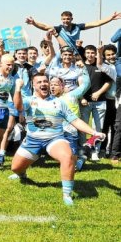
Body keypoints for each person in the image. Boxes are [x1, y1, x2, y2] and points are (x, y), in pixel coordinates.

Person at [10, 74, 105, 206]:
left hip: (55, 139)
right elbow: (18, 106)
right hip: (33, 140)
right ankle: (22, 174)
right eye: (39, 82)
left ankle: (67, 194)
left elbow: (75, 120)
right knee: (15, 168)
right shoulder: (29, 100)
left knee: (68, 157)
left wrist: (94, 132)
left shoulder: (60, 102)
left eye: (45, 81)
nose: (43, 84)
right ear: (33, 85)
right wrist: (18, 89)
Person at [25, 10, 121, 51]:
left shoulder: (78, 27)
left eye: (68, 19)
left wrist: (110, 18)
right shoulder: (59, 28)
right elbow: (45, 27)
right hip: (64, 52)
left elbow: (95, 23)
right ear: (61, 19)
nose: (66, 21)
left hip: (77, 53)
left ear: (71, 19)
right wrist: (34, 23)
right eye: (64, 19)